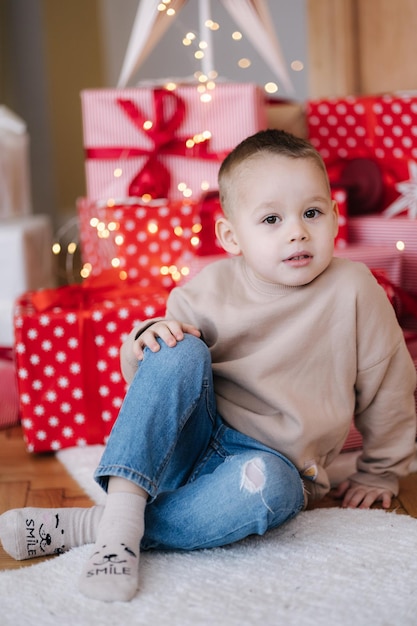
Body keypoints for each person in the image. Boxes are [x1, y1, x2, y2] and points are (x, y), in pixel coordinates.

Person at [1, 129, 416, 603]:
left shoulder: (355, 290)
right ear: (230, 235)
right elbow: (153, 380)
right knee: (174, 344)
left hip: (274, 465)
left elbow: (390, 384)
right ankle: (124, 506)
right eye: (272, 219)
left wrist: (381, 470)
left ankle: (102, 526)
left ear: (335, 217)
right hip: (190, 441)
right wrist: (143, 342)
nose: (297, 231)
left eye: (312, 213)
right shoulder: (207, 287)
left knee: (274, 490)